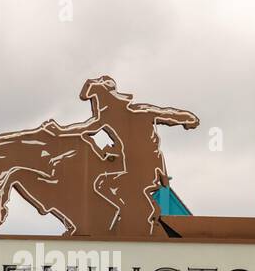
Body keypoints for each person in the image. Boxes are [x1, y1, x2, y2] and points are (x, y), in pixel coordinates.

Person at [59, 76, 199, 231]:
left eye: (100, 101)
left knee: (108, 185)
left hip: (148, 167)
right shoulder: (106, 119)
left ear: (111, 99)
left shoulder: (140, 112)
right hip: (131, 167)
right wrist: (60, 131)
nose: (98, 107)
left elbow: (166, 114)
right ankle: (143, 211)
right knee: (104, 185)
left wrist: (186, 118)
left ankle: (145, 212)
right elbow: (85, 128)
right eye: (97, 102)